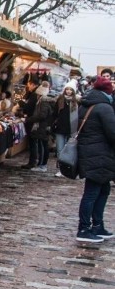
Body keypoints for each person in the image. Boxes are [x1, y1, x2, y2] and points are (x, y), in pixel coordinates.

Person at [75, 76, 115, 243]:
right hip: (99, 155)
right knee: (92, 192)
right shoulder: (104, 107)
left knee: (102, 190)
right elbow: (112, 133)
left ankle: (97, 225)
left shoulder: (87, 104)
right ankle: (84, 228)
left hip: (92, 153)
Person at [53, 80, 80, 177]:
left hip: (72, 129)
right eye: (67, 89)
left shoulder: (76, 101)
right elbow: (55, 113)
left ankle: (70, 169)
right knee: (60, 150)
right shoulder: (60, 99)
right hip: (60, 128)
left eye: (70, 89)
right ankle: (61, 170)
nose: (68, 91)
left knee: (70, 150)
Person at [27, 80, 55, 172]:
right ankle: (41, 164)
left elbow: (42, 115)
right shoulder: (43, 102)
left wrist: (30, 119)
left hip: (42, 126)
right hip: (43, 126)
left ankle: (42, 165)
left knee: (42, 146)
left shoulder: (43, 102)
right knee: (42, 145)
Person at [21, 75, 41, 169]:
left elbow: (29, 107)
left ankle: (32, 161)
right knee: (34, 142)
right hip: (33, 120)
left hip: (31, 121)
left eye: (29, 84)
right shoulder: (36, 93)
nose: (28, 86)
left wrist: (22, 105)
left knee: (32, 142)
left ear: (32, 84)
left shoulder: (34, 94)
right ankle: (34, 161)